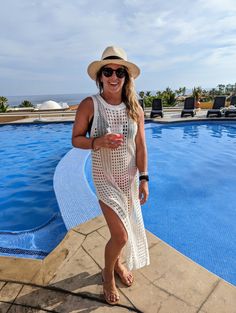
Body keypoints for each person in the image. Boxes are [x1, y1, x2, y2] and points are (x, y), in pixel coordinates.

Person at [72, 46, 150, 305]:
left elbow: (141, 147)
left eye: (120, 72)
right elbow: (76, 140)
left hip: (128, 179)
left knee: (122, 231)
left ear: (127, 77)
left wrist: (144, 178)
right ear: (100, 76)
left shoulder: (135, 109)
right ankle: (108, 275)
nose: (114, 77)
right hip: (104, 177)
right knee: (121, 235)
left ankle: (116, 264)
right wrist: (98, 142)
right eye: (108, 71)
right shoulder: (89, 105)